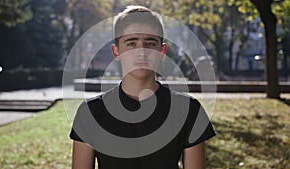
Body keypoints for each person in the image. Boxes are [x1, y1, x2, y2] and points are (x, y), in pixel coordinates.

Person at [70, 5, 216, 169]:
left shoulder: (189, 109)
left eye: (150, 43)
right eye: (131, 43)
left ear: (162, 51)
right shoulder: (91, 112)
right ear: (116, 52)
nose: (141, 51)